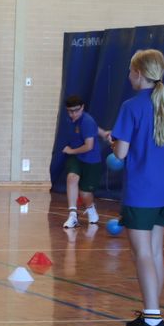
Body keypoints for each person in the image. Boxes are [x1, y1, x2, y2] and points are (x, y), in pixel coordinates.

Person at [106, 49, 164, 326]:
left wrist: (113, 142)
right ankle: (151, 314)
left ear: (138, 73)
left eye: (130, 71)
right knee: (155, 253)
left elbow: (121, 153)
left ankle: (153, 319)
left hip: (141, 192)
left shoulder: (131, 106)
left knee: (142, 254)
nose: (129, 76)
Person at [59, 94, 102, 228]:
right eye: (70, 111)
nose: (73, 114)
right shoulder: (71, 119)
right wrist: (103, 133)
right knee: (71, 178)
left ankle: (90, 208)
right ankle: (73, 215)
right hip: (77, 157)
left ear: (82, 107)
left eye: (76, 110)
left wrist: (71, 151)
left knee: (85, 193)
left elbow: (89, 146)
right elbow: (95, 129)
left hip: (90, 159)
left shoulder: (87, 121)